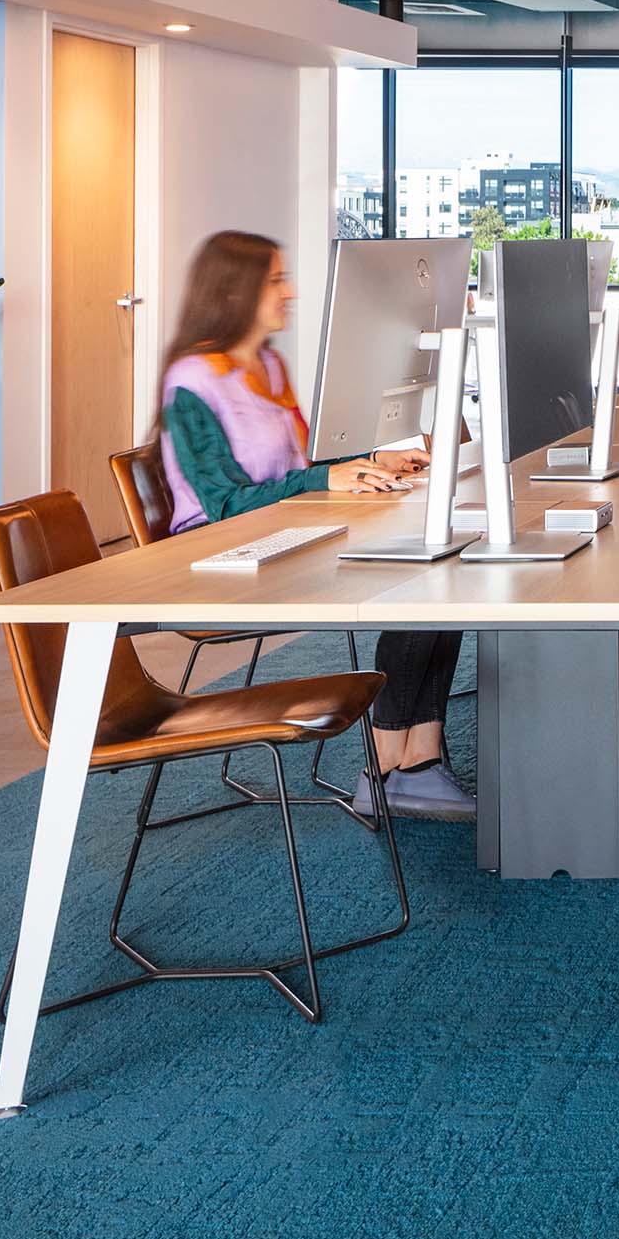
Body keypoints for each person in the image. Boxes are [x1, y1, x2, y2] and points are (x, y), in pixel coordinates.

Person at [155, 230, 476, 822]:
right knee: (415, 585)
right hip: (218, 558)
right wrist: (322, 483)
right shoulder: (191, 382)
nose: (290, 292)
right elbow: (224, 503)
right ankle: (387, 768)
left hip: (286, 532)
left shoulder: (269, 365)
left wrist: (368, 464)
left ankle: (419, 758)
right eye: (276, 279)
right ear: (236, 290)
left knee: (440, 569)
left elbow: (298, 469)